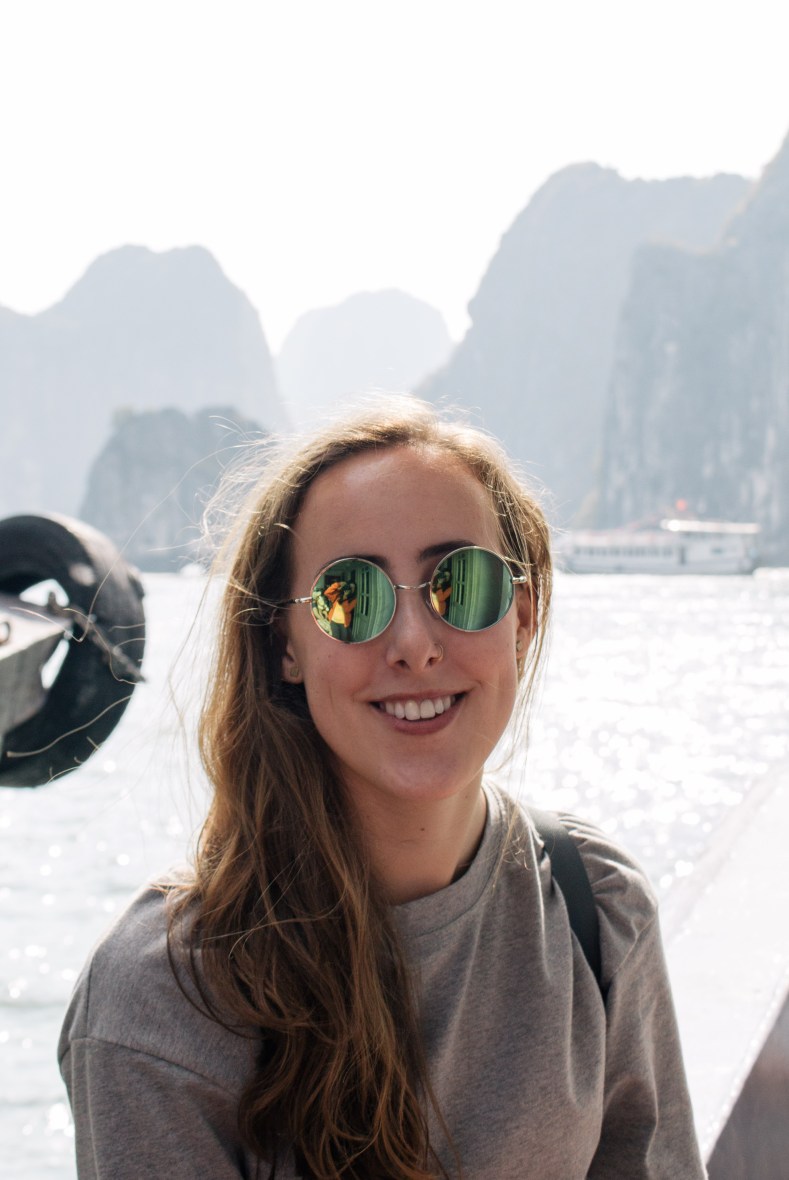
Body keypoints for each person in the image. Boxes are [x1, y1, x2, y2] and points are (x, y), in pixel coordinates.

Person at [58, 398, 706, 1179]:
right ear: (286, 645)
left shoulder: (593, 909)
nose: (413, 645)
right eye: (349, 598)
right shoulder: (165, 999)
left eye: (461, 585)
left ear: (521, 618)